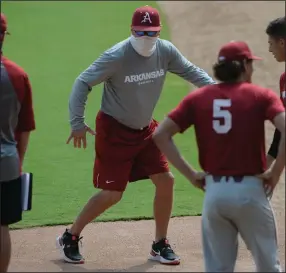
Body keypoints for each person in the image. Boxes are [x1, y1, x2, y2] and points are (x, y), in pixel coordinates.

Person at [56, 5, 215, 265]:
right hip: (114, 131)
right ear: (131, 30)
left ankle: (159, 243)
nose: (145, 38)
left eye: (151, 33)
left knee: (166, 181)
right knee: (112, 195)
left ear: (159, 32)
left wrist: (220, 91)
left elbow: (193, 72)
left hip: (145, 130)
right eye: (140, 32)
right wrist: (77, 123)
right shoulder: (116, 56)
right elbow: (82, 82)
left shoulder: (165, 51)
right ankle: (70, 237)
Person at [152, 41, 285, 272]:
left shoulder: (198, 98)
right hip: (251, 192)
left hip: (215, 194)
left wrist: (191, 174)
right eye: (250, 64)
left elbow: (161, 134)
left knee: (218, 269)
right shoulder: (260, 95)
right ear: (244, 66)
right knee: (268, 267)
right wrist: (275, 172)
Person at [0, 13, 36, 273]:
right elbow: (24, 129)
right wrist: (19, 162)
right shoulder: (18, 75)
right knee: (2, 226)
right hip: (6, 162)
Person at [265, 16, 286, 168]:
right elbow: (282, 127)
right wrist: (267, 163)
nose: (270, 50)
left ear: (282, 43)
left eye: (271, 44)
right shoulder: (284, 79)